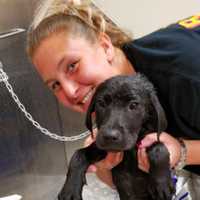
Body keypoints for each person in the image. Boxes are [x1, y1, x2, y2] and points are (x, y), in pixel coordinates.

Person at [27, 0, 200, 197]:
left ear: (105, 46)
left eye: (72, 65)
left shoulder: (186, 79)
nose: (70, 91)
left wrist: (183, 151)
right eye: (55, 85)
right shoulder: (120, 88)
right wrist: (106, 168)